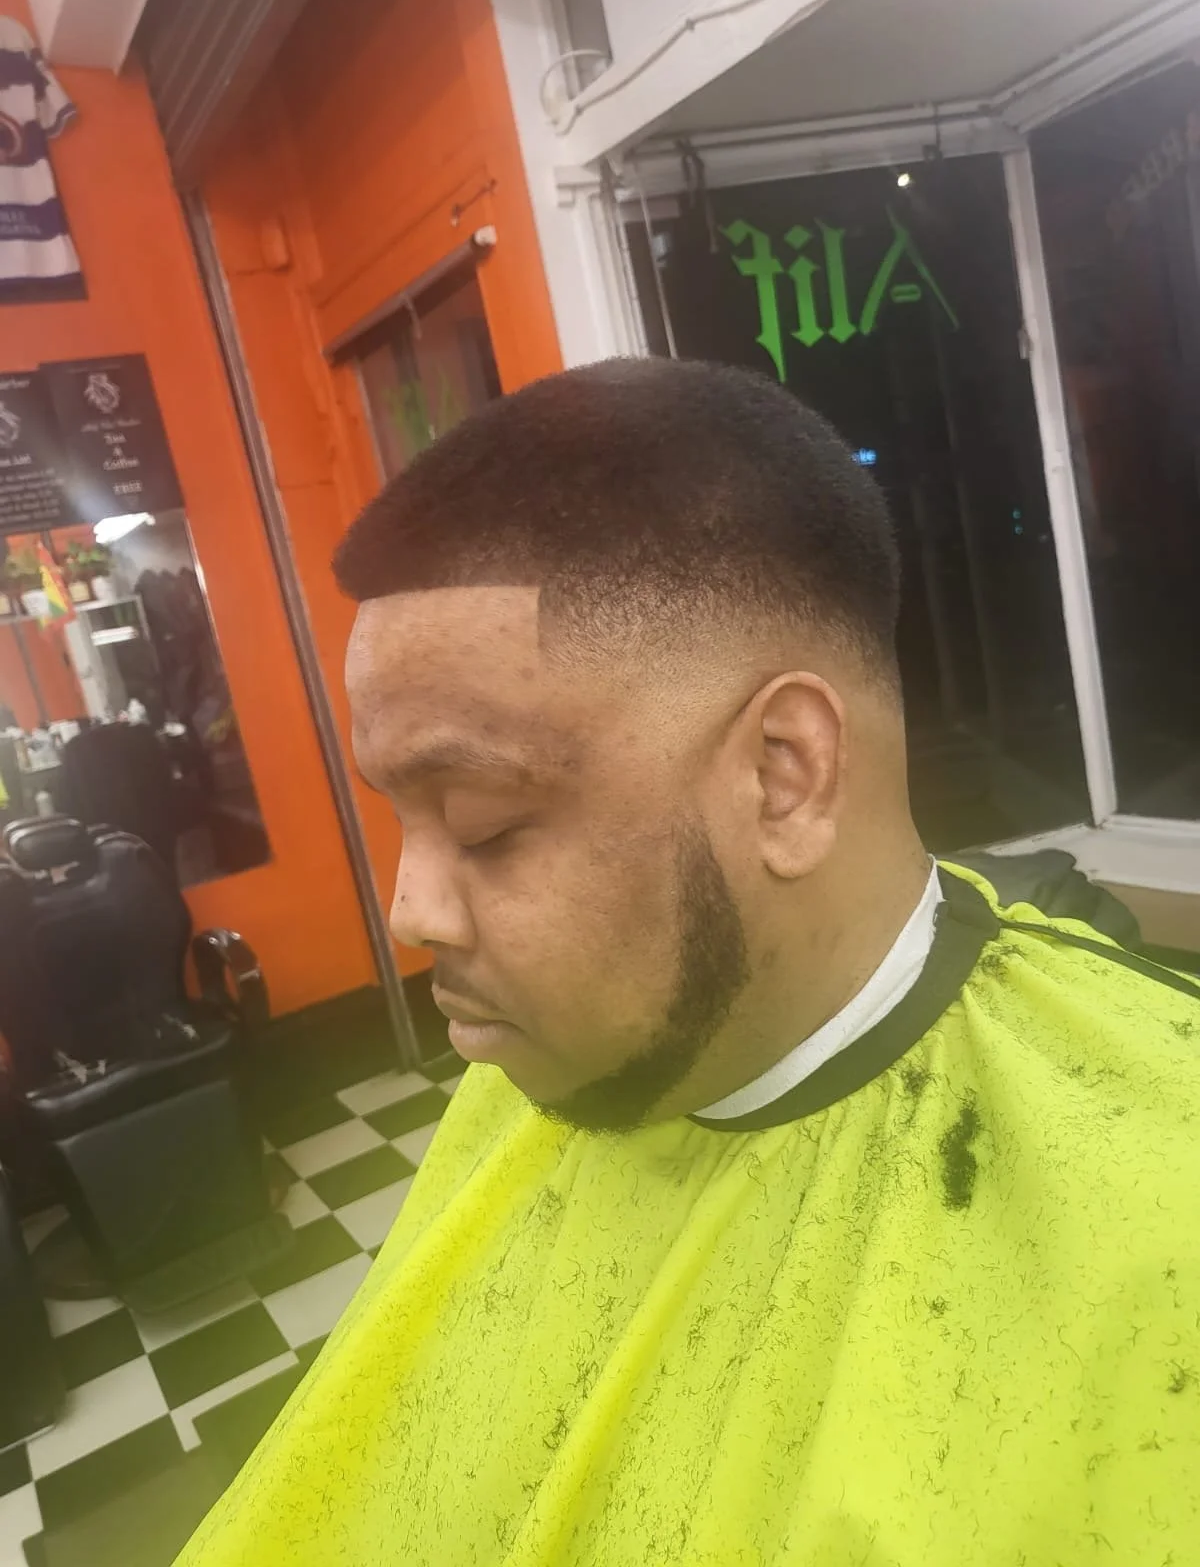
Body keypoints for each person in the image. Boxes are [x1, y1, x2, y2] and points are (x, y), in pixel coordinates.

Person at [178, 360, 1200, 1566]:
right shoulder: (528, 1091)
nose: (411, 912)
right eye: (398, 819)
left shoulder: (1155, 1217)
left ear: (784, 773)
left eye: (486, 821)